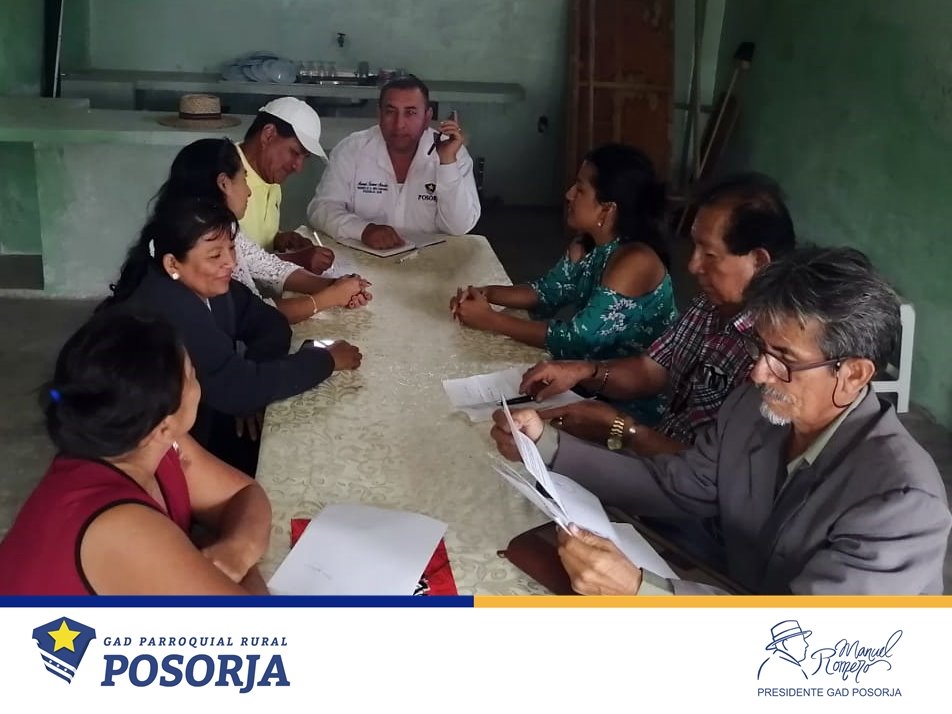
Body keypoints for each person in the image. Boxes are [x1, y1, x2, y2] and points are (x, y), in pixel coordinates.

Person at [491, 246, 952, 595]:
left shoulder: (902, 504)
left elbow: (807, 647)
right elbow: (676, 484)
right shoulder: (753, 410)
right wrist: (546, 445)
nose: (758, 373)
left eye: (784, 359)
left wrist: (641, 592)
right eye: (760, 349)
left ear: (853, 374)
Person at [518, 173, 796, 456]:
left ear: (758, 261)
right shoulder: (710, 304)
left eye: (710, 255)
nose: (693, 265)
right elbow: (651, 369)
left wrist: (623, 431)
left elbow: (716, 471)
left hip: (683, 474)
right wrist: (583, 371)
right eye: (694, 247)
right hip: (656, 450)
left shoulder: (775, 356)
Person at [0, 307, 273, 594]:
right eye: (192, 376)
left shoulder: (145, 442)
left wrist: (236, 551)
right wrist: (221, 555)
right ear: (164, 426)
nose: (198, 383)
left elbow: (244, 494)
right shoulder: (121, 526)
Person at [101, 196, 362, 477]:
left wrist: (251, 389)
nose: (230, 262)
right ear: (173, 264)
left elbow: (271, 324)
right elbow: (235, 387)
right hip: (145, 450)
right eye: (215, 255)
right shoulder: (168, 309)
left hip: (202, 416)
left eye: (231, 248)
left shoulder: (210, 285)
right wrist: (326, 360)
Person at [450, 143, 678, 426]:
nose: (569, 194)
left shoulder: (634, 260)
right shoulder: (587, 246)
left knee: (506, 424)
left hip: (628, 404)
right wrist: (486, 294)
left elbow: (576, 340)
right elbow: (545, 293)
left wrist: (490, 320)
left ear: (607, 209)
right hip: (584, 381)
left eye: (580, 189)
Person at [158, 138, 370, 325]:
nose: (249, 191)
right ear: (223, 184)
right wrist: (329, 298)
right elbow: (254, 314)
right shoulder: (201, 240)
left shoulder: (223, 227)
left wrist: (336, 285)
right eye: (243, 179)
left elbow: (270, 267)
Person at [308, 75, 480, 250]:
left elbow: (459, 227)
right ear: (379, 114)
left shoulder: (453, 152)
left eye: (410, 113)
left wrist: (447, 163)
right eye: (390, 112)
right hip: (364, 259)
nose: (399, 124)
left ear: (427, 117)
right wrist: (363, 230)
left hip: (432, 260)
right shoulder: (351, 150)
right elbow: (321, 209)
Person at [238, 97, 335, 272]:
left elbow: (250, 241)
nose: (298, 167)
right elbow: (225, 263)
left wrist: (278, 240)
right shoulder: (224, 176)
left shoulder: (271, 178)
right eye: (295, 152)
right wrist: (295, 260)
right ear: (268, 135)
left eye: (304, 158)